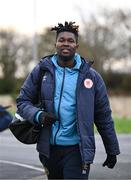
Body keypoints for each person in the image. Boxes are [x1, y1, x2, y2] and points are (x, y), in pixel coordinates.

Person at [16, 21, 120, 179]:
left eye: (70, 40)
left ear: (76, 46)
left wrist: (111, 150)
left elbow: (103, 116)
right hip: (48, 149)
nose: (66, 43)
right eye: (61, 40)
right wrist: (39, 115)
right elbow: (23, 101)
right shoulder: (41, 71)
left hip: (77, 150)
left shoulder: (92, 77)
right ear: (55, 44)